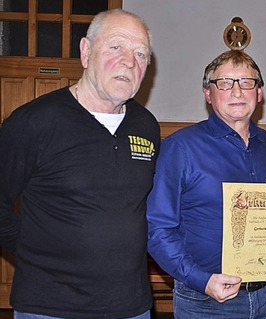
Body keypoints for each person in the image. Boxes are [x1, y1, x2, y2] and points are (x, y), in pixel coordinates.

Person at [0, 9, 158, 319]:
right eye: (116, 47)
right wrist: (37, 252)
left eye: (141, 54)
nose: (129, 61)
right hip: (49, 307)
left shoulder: (147, 126)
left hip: (131, 307)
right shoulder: (33, 123)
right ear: (86, 52)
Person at [146, 50, 266, 319]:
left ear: (259, 92)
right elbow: (158, 229)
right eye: (224, 83)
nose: (236, 91)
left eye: (246, 82)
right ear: (208, 94)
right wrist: (202, 280)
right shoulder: (181, 147)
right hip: (205, 300)